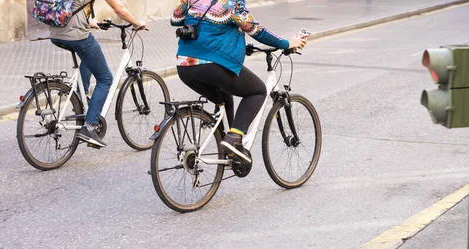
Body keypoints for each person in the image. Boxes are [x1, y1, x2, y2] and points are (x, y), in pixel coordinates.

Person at [171, 0, 308, 163]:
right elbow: (256, 30)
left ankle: (227, 153)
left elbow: (175, 19)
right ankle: (235, 136)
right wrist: (287, 43)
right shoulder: (232, 3)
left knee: (225, 99)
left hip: (184, 67)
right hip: (212, 65)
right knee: (257, 91)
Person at [50, 0, 146, 148]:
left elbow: (73, 5)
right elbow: (118, 7)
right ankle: (90, 127)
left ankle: (81, 99)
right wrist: (136, 23)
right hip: (75, 34)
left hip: (56, 32)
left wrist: (88, 21)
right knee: (106, 79)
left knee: (88, 56)